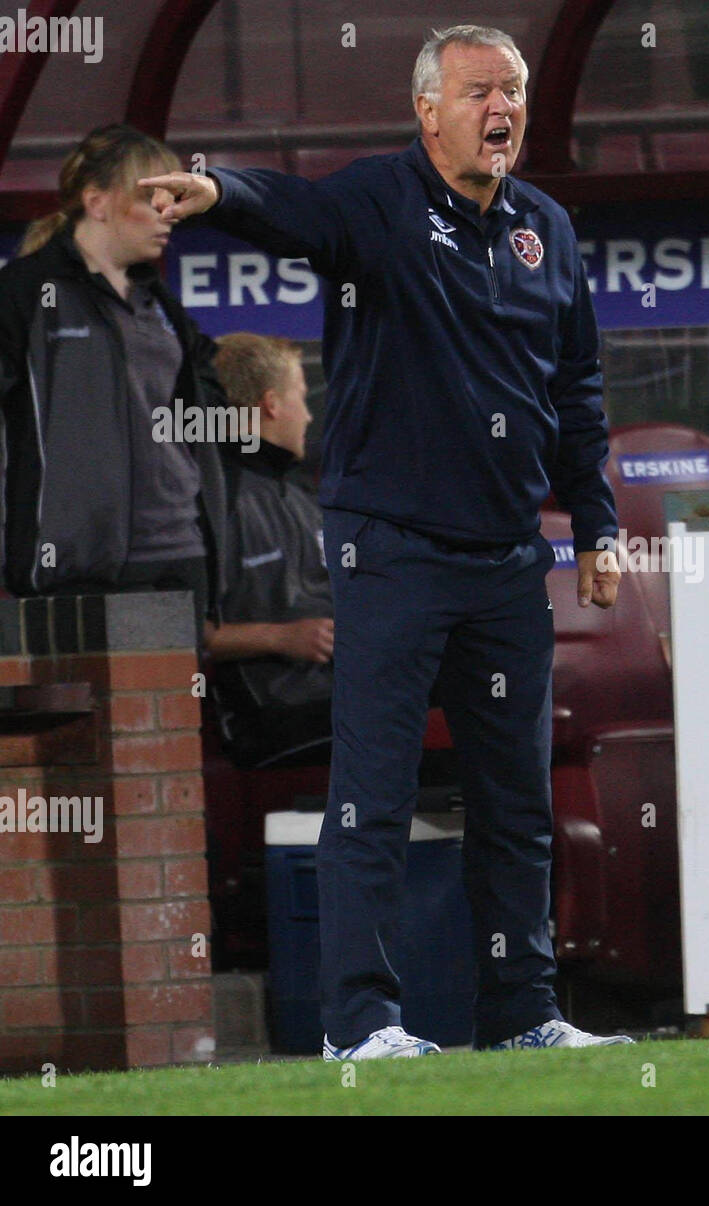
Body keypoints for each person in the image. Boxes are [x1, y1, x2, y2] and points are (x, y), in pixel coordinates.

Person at [143, 24, 631, 1056]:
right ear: (426, 111)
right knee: (373, 789)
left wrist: (595, 523)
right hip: (392, 547)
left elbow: (577, 388)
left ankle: (523, 1012)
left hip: (505, 557)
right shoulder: (378, 199)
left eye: (512, 92)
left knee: (514, 800)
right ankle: (360, 1025)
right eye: (475, 93)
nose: (498, 109)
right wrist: (217, 190)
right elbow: (294, 207)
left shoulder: (547, 227)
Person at [0, 124, 229, 645]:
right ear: (98, 203)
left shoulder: (161, 305)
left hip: (179, 550)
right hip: (76, 564)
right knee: (98, 724)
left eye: (173, 199)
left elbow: (207, 402)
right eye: (151, 200)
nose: (169, 212)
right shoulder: (24, 294)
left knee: (174, 722)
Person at [206, 333, 334, 770]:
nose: (309, 414)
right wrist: (281, 638)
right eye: (302, 397)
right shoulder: (212, 501)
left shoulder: (299, 491)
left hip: (335, 692)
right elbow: (174, 635)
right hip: (271, 717)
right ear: (272, 405)